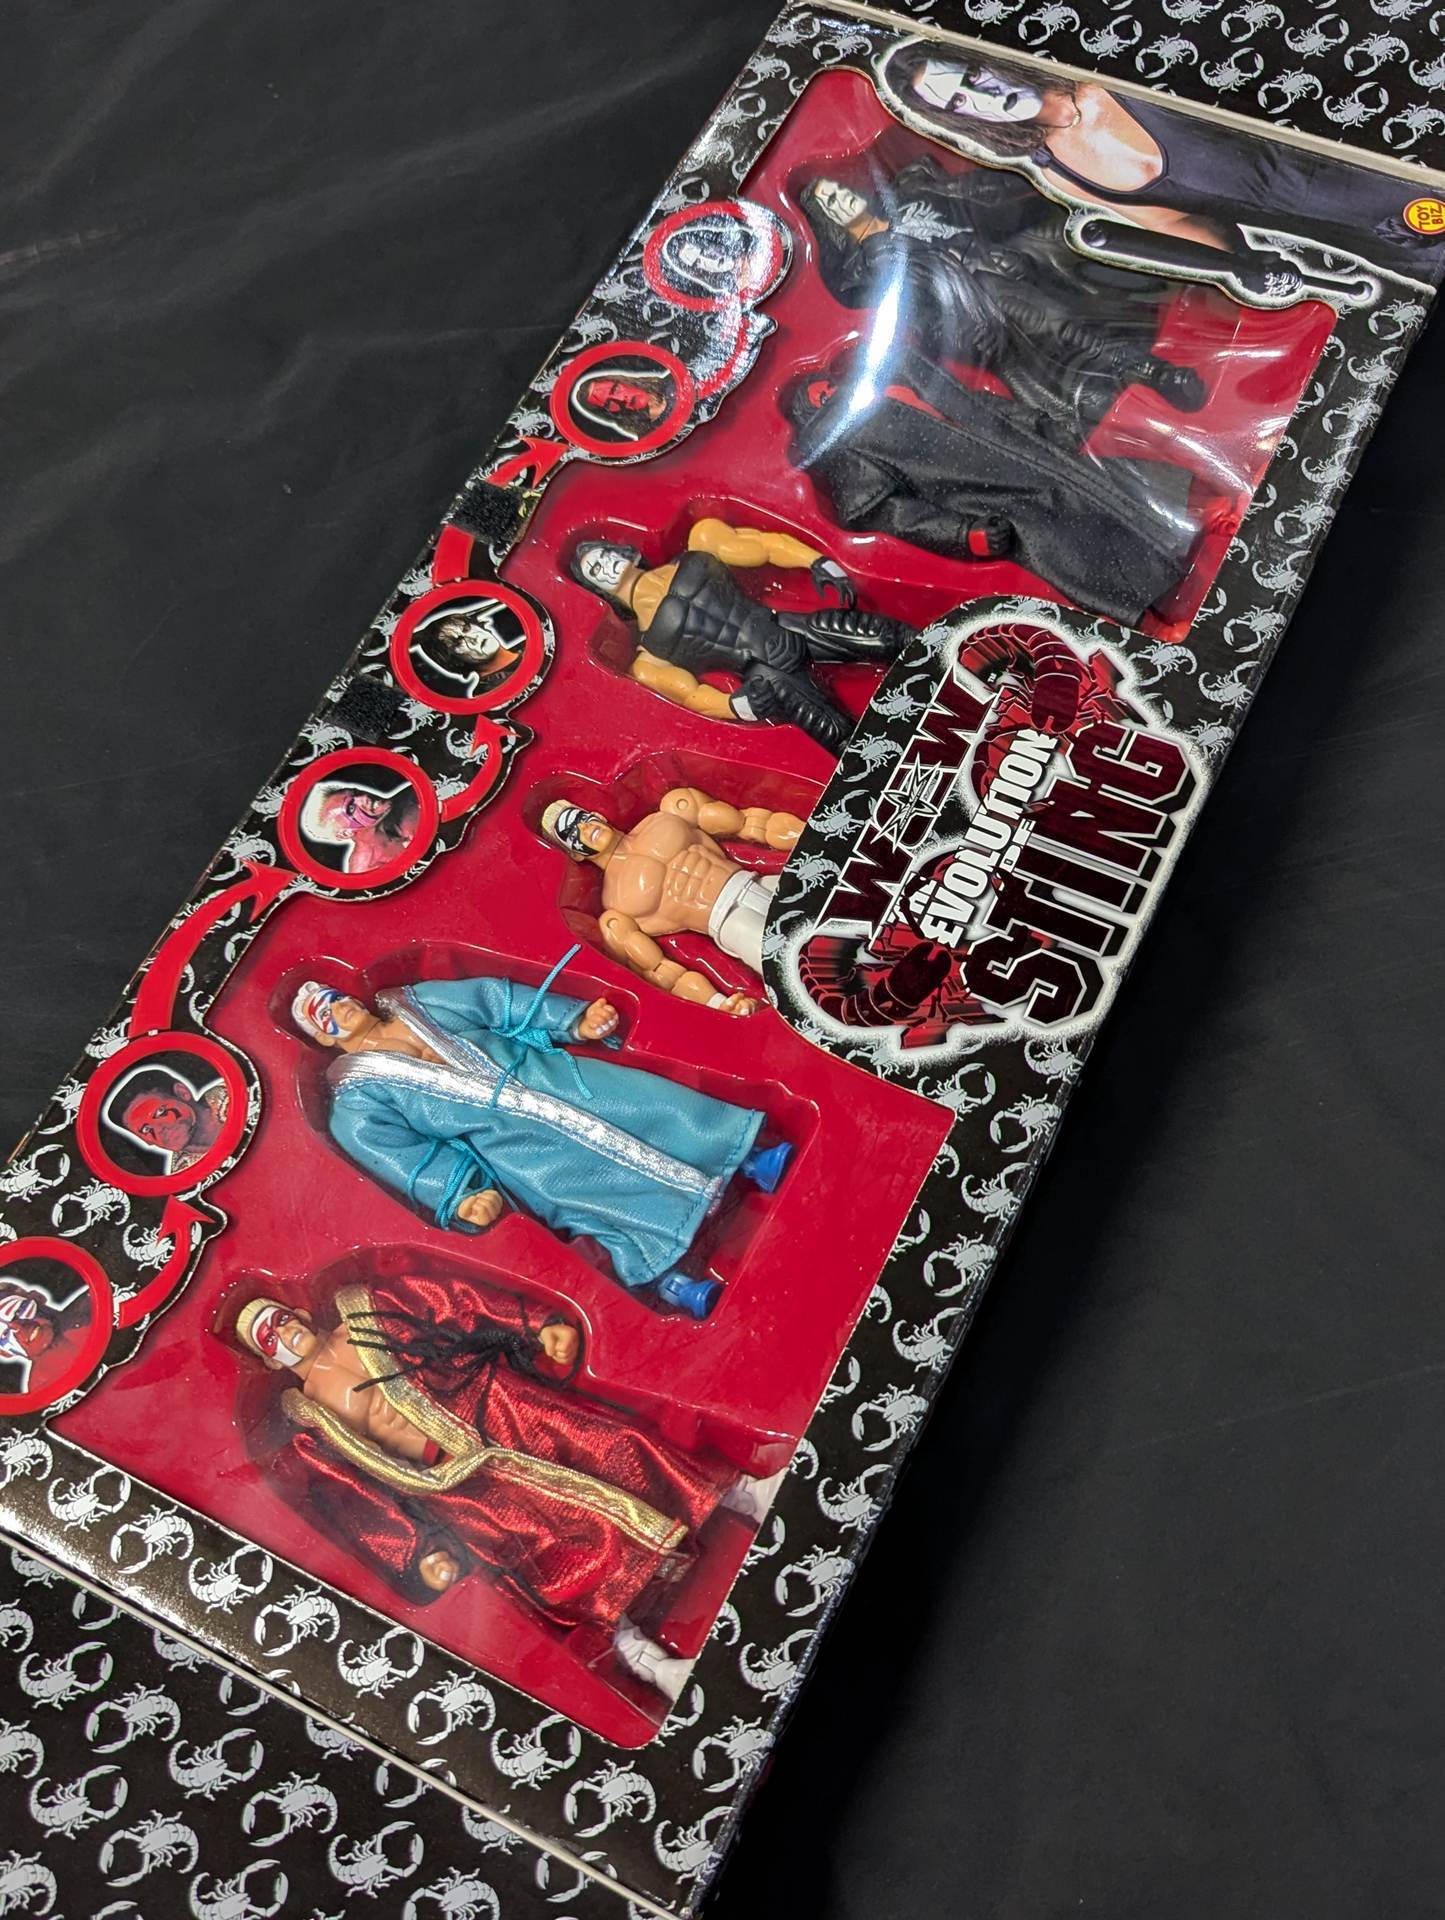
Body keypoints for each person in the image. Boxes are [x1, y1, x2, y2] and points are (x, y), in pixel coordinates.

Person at [236, 1282, 785, 1703]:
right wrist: (414, 1549)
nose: (284, 1333)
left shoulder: (366, 1312)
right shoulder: (308, 1419)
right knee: (547, 1555)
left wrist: (533, 1326)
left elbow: (456, 1303)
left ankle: (743, 1493)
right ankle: (642, 1654)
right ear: (267, 1359)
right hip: (453, 1484)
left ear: (298, 1311)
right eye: (269, 1337)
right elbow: (355, 1495)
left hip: (493, 1406)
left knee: (612, 1444)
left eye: (281, 1319)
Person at [289, 966, 792, 1320]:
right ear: (323, 1039)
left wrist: (570, 1019)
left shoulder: (417, 1003)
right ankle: (671, 1280)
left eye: (334, 997)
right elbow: (405, 1159)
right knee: (584, 1202)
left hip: (549, 1078)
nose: (339, 1009)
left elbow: (495, 1000)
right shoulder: (356, 1104)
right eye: (325, 1016)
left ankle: (748, 1157)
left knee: (650, 1104)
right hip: (512, 1145)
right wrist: (460, 1195)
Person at [879, 44, 1438, 280]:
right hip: (1375, 247)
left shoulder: (1104, 72)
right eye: (957, 102)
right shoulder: (1056, 168)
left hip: (1386, 170)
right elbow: (1175, 223)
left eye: (971, 76)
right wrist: (1243, 266)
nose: (979, 95)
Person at [787, 348, 1221, 631]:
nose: (836, 393)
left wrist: (1037, 424)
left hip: (1027, 450)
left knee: (1113, 477)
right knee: (1062, 546)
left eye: (832, 387)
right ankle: (1151, 622)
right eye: (824, 398)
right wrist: (965, 534)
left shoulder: (897, 381)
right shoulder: (852, 451)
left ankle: (1206, 511)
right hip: (994, 498)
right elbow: (893, 513)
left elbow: (977, 407)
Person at [801, 159, 1205, 440]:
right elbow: (919, 319)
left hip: (1006, 250)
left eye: (835, 189)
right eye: (829, 202)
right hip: (981, 299)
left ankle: (1185, 264)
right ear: (830, 221)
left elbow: (977, 201)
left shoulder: (908, 192)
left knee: (1071, 233)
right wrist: (968, 316)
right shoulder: (872, 266)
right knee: (1055, 323)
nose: (840, 197)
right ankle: (1151, 372)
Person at [569, 517, 913, 754]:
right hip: (763, 675)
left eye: (604, 556)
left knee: (888, 636)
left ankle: (943, 653)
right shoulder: (648, 657)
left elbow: (763, 545)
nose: (606, 566)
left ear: (621, 551)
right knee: (839, 737)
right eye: (595, 570)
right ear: (597, 589)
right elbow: (689, 694)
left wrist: (816, 562)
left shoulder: (700, 544)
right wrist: (737, 706)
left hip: (781, 625)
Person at [540, 788, 806, 1009]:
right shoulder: (616, 907)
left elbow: (750, 823)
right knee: (789, 962)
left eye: (582, 818)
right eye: (573, 834)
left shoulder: (668, 815)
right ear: (575, 854)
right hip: (729, 922)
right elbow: (660, 970)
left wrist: (811, 835)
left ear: (596, 815)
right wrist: (718, 1003)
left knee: (820, 886)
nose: (585, 828)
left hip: (756, 881)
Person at [104, 1066, 229, 1173]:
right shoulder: (184, 1177)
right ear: (145, 1141)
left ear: (182, 1093)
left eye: (160, 1112)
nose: (159, 1129)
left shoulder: (234, 1095)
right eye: (146, 1129)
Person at [298, 780, 420, 876]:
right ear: (345, 833)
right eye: (351, 808)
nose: (364, 797)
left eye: (356, 793)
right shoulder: (367, 872)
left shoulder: (412, 798)